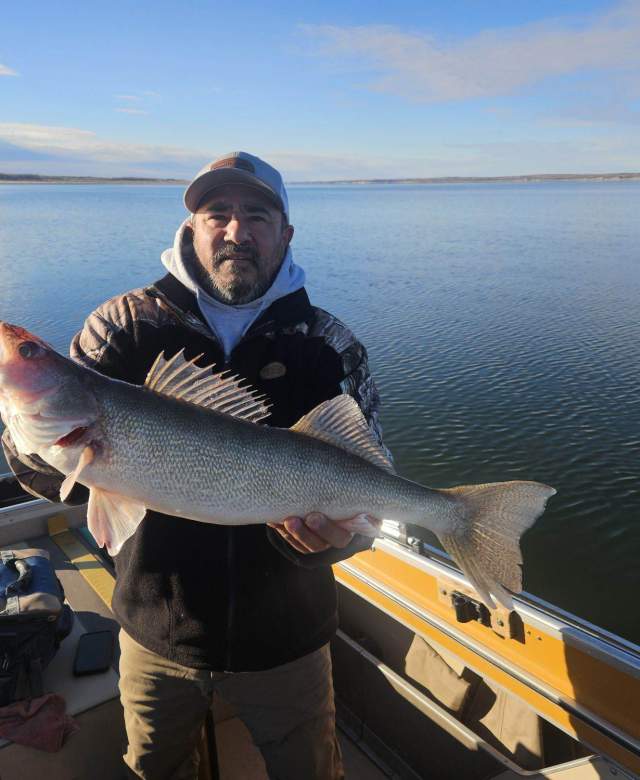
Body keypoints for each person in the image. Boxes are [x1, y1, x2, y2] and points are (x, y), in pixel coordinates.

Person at [2, 151, 387, 780]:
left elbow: (371, 478)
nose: (237, 231)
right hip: (157, 633)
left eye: (257, 215)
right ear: (192, 228)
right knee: (155, 769)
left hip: (288, 641)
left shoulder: (328, 343)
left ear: (285, 233)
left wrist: (337, 541)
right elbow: (56, 485)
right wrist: (25, 438)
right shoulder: (120, 326)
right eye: (218, 213)